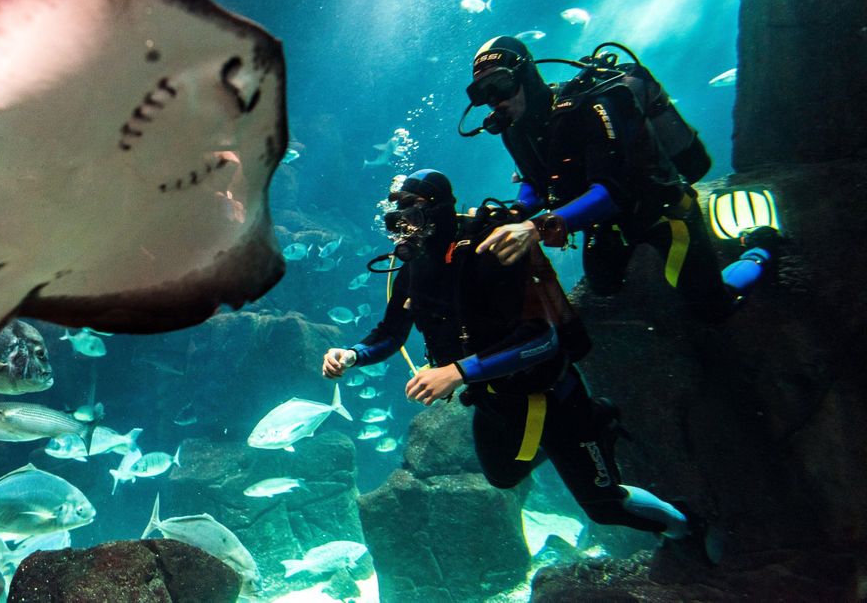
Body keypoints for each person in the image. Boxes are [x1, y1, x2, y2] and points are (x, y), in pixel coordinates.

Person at [322, 168, 715, 556]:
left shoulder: (488, 251)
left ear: (439, 207)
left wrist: (457, 372)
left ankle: (684, 525)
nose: (402, 223)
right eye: (397, 214)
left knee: (605, 508)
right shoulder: (413, 267)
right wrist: (353, 354)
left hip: (551, 397)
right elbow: (391, 332)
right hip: (494, 401)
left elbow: (543, 340)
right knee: (502, 476)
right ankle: (580, 443)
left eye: (411, 209)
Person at [460, 35, 782, 322]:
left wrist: (534, 228)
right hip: (609, 223)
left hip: (659, 210)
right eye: (482, 92)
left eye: (500, 84)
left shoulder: (587, 110)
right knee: (603, 286)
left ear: (526, 75)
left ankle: (761, 248)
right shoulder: (515, 131)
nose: (494, 99)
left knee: (714, 308)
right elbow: (535, 178)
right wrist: (517, 211)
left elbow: (610, 193)